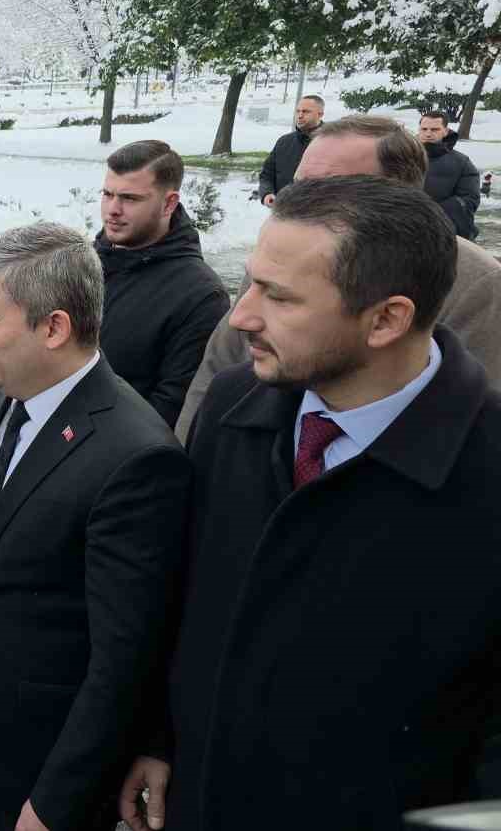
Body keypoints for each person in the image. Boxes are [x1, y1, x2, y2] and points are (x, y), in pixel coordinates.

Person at [118, 176, 501, 831]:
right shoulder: (233, 405)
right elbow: (184, 594)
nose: (241, 316)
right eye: (250, 283)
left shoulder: (486, 474)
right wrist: (158, 735)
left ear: (387, 319)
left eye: (280, 297)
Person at [0, 222, 191, 831]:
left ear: (54, 327)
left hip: (44, 764)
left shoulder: (136, 457)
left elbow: (125, 658)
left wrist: (57, 801)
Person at [175, 114, 501, 439]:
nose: (300, 201)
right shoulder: (275, 258)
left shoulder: (478, 282)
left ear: (398, 195)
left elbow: (466, 420)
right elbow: (218, 367)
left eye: (328, 188)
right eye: (298, 185)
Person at [95, 140, 229, 428]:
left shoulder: (201, 295)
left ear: (169, 203)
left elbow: (174, 408)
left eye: (130, 198)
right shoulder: (85, 262)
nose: (113, 209)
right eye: (108, 194)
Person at [418, 110, 481, 241]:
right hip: (407, 231)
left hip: (448, 234)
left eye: (434, 129)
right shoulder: (403, 157)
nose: (428, 133)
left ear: (445, 131)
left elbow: (470, 200)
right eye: (424, 129)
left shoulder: (462, 162)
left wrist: (432, 212)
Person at [258, 94, 324, 205]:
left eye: (306, 112)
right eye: (298, 111)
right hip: (283, 209)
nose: (300, 115)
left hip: (318, 211)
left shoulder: (332, 142)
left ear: (320, 114)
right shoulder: (284, 142)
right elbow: (266, 175)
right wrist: (266, 194)